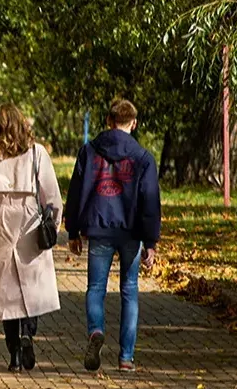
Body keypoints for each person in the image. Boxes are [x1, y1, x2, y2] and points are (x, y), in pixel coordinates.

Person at [63, 98, 162, 373]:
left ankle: (96, 330)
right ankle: (126, 358)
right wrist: (151, 242)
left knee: (96, 288)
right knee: (129, 291)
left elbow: (76, 192)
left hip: (98, 228)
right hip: (131, 232)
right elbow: (150, 201)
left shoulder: (90, 151)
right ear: (134, 123)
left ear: (108, 121)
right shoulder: (143, 158)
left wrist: (73, 230)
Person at [0, 103, 63, 372]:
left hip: (1, 214)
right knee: (32, 283)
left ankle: (14, 352)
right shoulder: (37, 152)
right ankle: (29, 332)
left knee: (6, 290)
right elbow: (51, 194)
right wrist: (53, 225)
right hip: (29, 216)